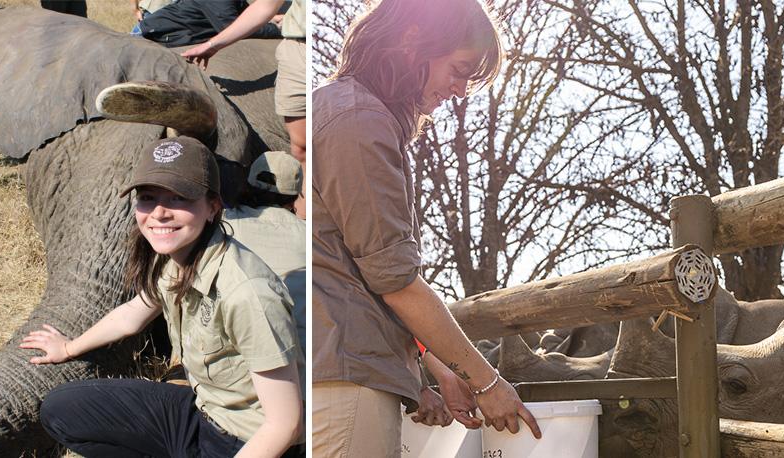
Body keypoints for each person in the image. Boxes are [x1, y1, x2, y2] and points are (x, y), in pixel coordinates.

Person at [311, 0, 541, 455]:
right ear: (413, 40)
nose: (460, 90)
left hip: (343, 370)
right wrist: (487, 382)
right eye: (458, 69)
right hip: (346, 380)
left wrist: (437, 368)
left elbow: (360, 268)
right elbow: (396, 282)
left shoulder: (341, 109)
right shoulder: (359, 121)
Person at [23, 137, 303, 457]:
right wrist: (67, 347)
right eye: (148, 197)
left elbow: (284, 425)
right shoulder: (178, 258)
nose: (158, 212)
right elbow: (133, 314)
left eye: (178, 198)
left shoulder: (248, 293)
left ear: (213, 206)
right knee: (61, 409)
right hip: (200, 414)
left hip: (244, 441)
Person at [182, 0, 307, 219]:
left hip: (344, 42)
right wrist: (213, 44)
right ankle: (306, 228)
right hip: (300, 48)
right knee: (301, 149)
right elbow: (266, 5)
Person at [224, 151, 305, 358]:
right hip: (297, 357)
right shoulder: (309, 234)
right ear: (295, 196)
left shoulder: (224, 223)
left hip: (232, 355)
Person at [136, 0, 283, 48]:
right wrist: (281, 30)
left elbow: (245, 13)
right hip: (154, 35)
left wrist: (272, 18)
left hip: (175, 33)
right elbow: (232, 27)